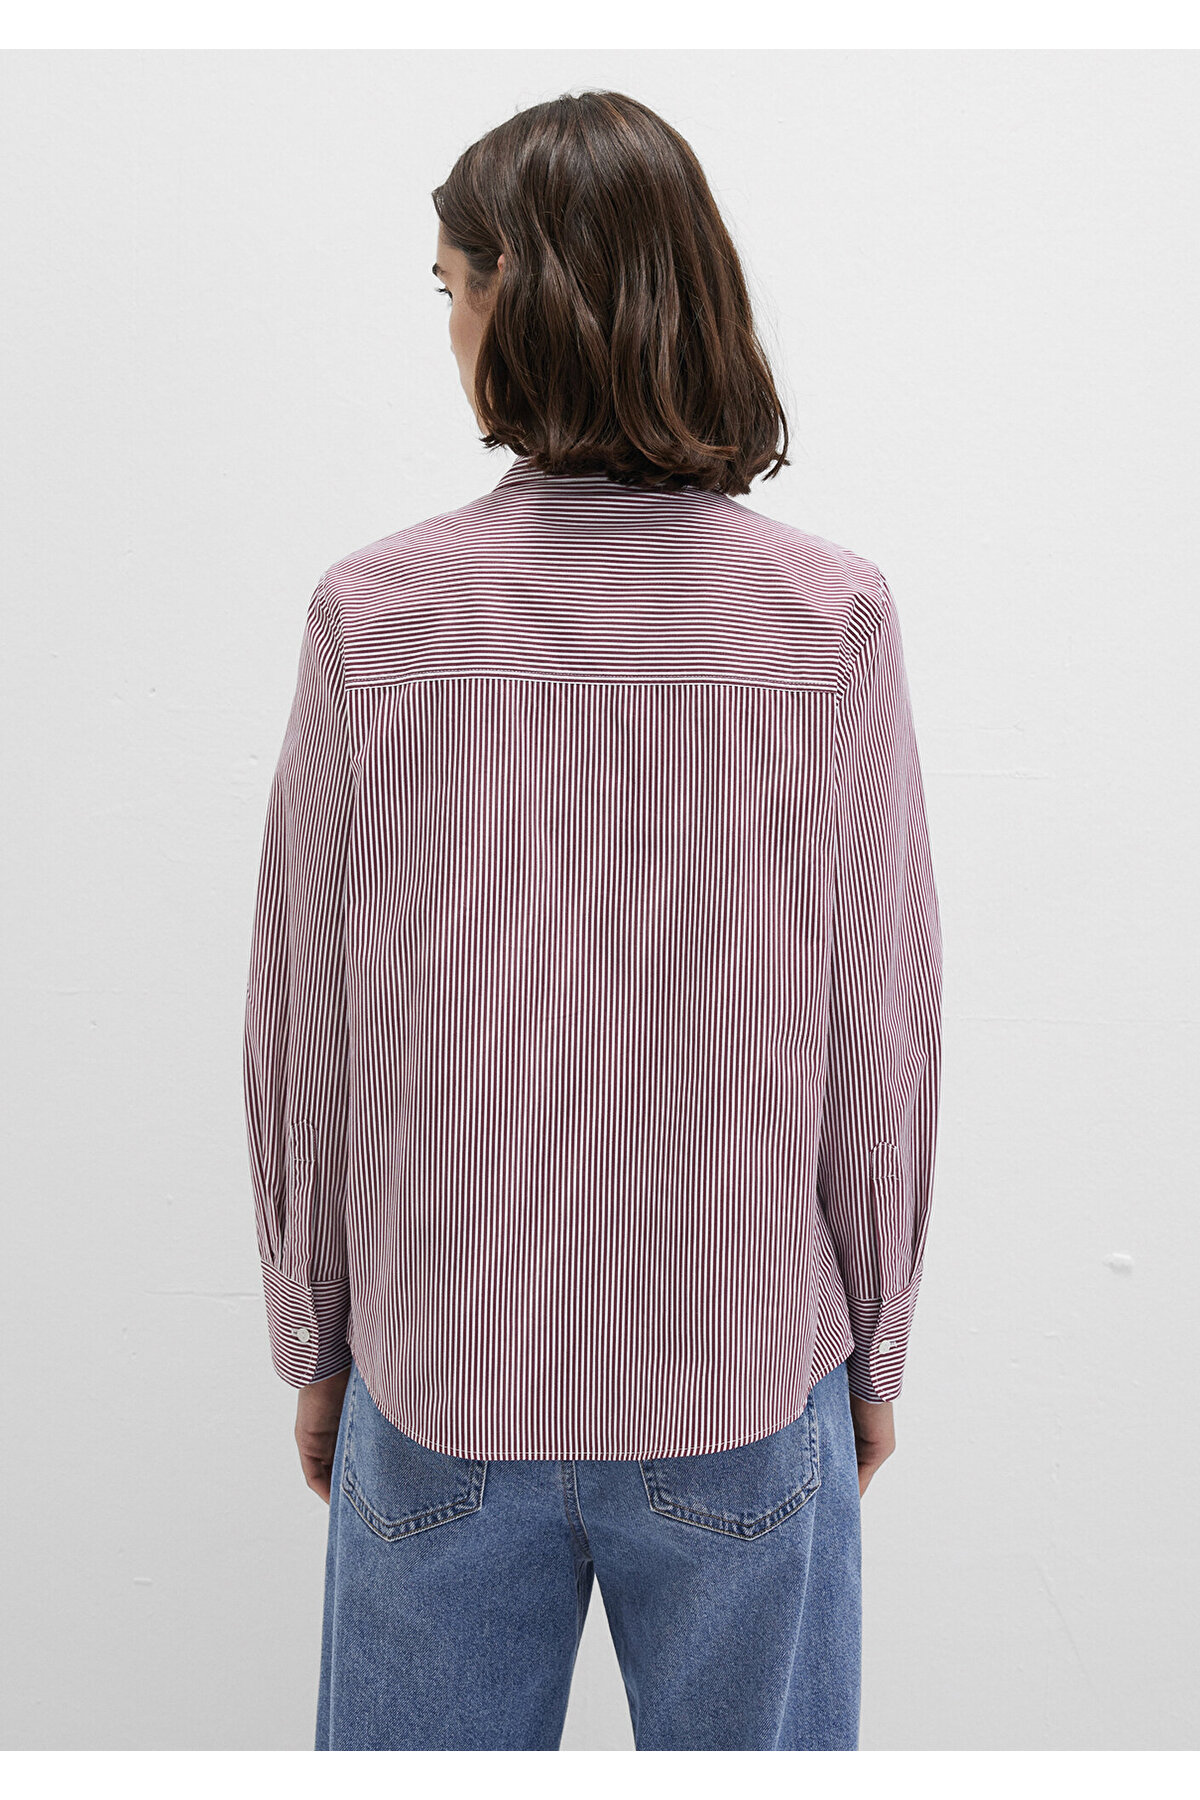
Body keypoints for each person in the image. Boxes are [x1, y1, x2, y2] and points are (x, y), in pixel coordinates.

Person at [242, 88, 943, 1753]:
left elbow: (301, 1024)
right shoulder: (826, 621)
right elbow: (883, 1022)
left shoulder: (376, 620)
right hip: (739, 1372)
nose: (449, 328)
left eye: (450, 288)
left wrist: (314, 1327)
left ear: (517, 295)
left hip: (442, 1377)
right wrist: (876, 1342)